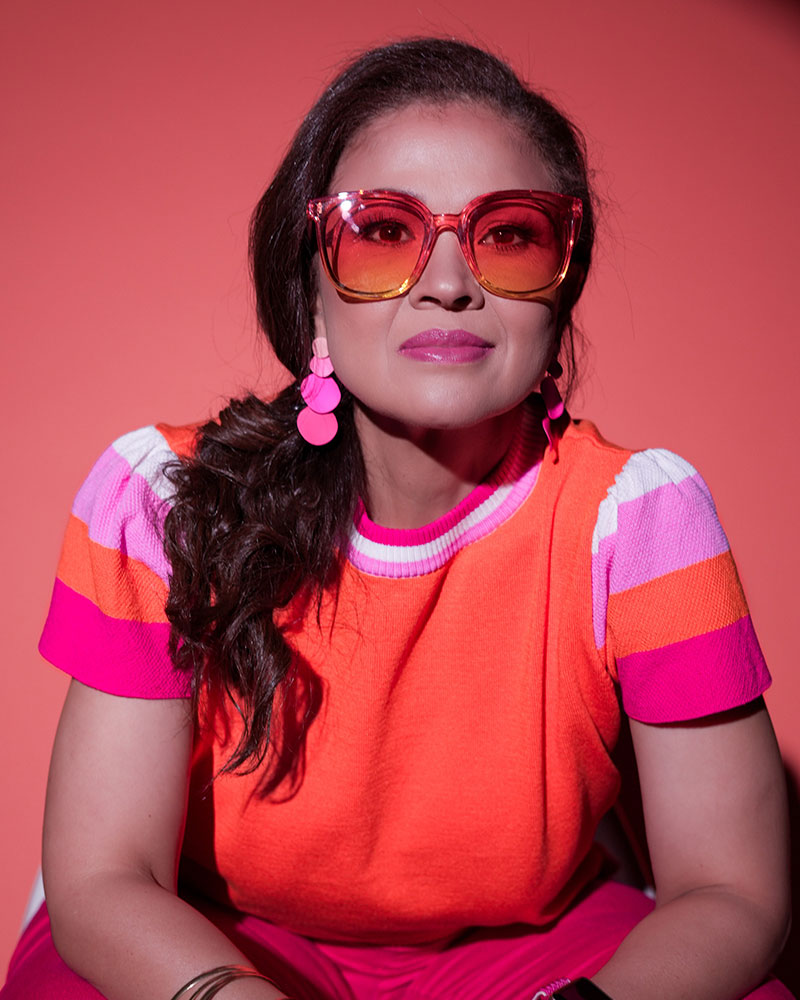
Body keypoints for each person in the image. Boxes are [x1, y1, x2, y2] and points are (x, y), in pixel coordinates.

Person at [1, 37, 792, 1000]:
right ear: (311, 296)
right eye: (383, 230)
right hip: (218, 937)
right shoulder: (165, 501)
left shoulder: (638, 523)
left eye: (509, 235)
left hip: (534, 948)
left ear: (561, 288)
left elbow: (731, 891)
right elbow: (103, 879)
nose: (448, 282)